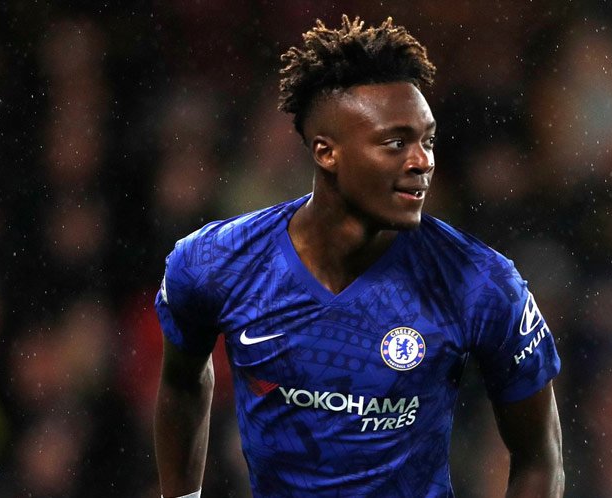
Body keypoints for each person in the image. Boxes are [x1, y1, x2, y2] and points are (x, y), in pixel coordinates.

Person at [154, 15, 563, 498]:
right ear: (326, 152)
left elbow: (539, 456)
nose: (423, 161)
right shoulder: (216, 262)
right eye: (396, 143)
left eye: (427, 140)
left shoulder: (479, 282)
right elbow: (181, 383)